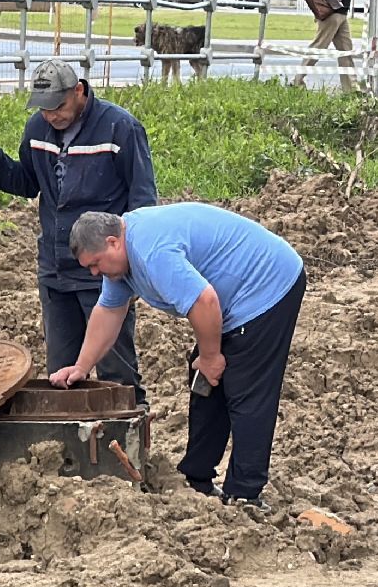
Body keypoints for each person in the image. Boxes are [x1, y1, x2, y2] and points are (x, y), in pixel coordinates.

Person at [53, 206, 306, 509]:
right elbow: (108, 310)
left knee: (245, 389)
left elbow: (204, 300)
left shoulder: (152, 252)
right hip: (225, 302)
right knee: (206, 380)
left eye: (95, 264)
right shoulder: (120, 261)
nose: (95, 273)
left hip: (268, 286)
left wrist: (211, 356)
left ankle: (245, 493)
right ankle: (197, 477)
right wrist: (82, 367)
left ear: (112, 242)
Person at [0, 59, 156, 403]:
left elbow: (143, 202)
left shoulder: (120, 129)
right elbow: (26, 182)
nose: (52, 115)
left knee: (117, 372)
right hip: (55, 273)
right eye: (44, 109)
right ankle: (68, 451)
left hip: (104, 273)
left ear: (79, 91)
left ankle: (128, 440)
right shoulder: (37, 130)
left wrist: (135, 266)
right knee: (62, 373)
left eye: (59, 106)